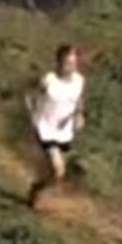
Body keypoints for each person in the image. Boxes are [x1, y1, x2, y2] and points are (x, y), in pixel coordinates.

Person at [26, 44, 86, 208]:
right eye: (67, 63)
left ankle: (38, 186)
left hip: (65, 132)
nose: (70, 68)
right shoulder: (49, 80)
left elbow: (79, 99)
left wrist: (80, 114)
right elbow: (30, 92)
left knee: (56, 172)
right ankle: (37, 189)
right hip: (45, 129)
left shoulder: (79, 81)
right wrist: (31, 112)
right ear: (58, 62)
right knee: (58, 169)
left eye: (73, 64)